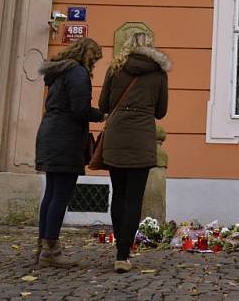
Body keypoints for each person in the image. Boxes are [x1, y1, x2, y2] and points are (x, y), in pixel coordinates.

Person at [98, 32, 170, 273]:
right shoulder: (158, 73)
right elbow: (161, 111)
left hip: (116, 136)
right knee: (133, 199)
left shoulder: (115, 68)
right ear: (151, 47)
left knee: (117, 195)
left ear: (127, 46)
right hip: (141, 137)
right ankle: (123, 254)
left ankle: (121, 247)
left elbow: (103, 105)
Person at [34, 37, 103, 268]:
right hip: (66, 138)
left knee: (51, 193)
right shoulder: (78, 73)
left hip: (50, 132)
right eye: (94, 59)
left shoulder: (59, 73)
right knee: (60, 195)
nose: (94, 64)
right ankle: (50, 250)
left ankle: (42, 246)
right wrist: (102, 114)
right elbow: (80, 109)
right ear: (88, 55)